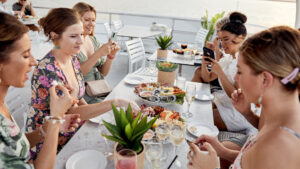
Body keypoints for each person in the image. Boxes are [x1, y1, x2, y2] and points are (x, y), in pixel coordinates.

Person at [26, 8, 140, 159]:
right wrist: (116, 102)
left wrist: (93, 113)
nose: (81, 40)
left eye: (81, 34)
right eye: (74, 36)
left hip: (72, 128)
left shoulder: (71, 58)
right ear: (55, 36)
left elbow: (77, 98)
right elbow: (68, 112)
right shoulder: (48, 71)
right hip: (49, 141)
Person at [188, 26, 300, 169]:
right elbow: (251, 159)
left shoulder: (278, 146)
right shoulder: (278, 113)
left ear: (265, 79)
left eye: (240, 72)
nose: (235, 77)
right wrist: (222, 150)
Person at [0, 12, 80, 168]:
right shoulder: (48, 68)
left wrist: (45, 129)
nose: (34, 62)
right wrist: (56, 119)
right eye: (25, 55)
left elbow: (14, 146)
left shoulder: (2, 105)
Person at [73, 2, 119, 104]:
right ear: (76, 20)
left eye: (93, 20)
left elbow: (103, 73)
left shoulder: (93, 40)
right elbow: (75, 74)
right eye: (87, 20)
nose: (91, 24)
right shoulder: (71, 43)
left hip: (98, 90)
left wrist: (111, 56)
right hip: (83, 95)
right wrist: (98, 53)